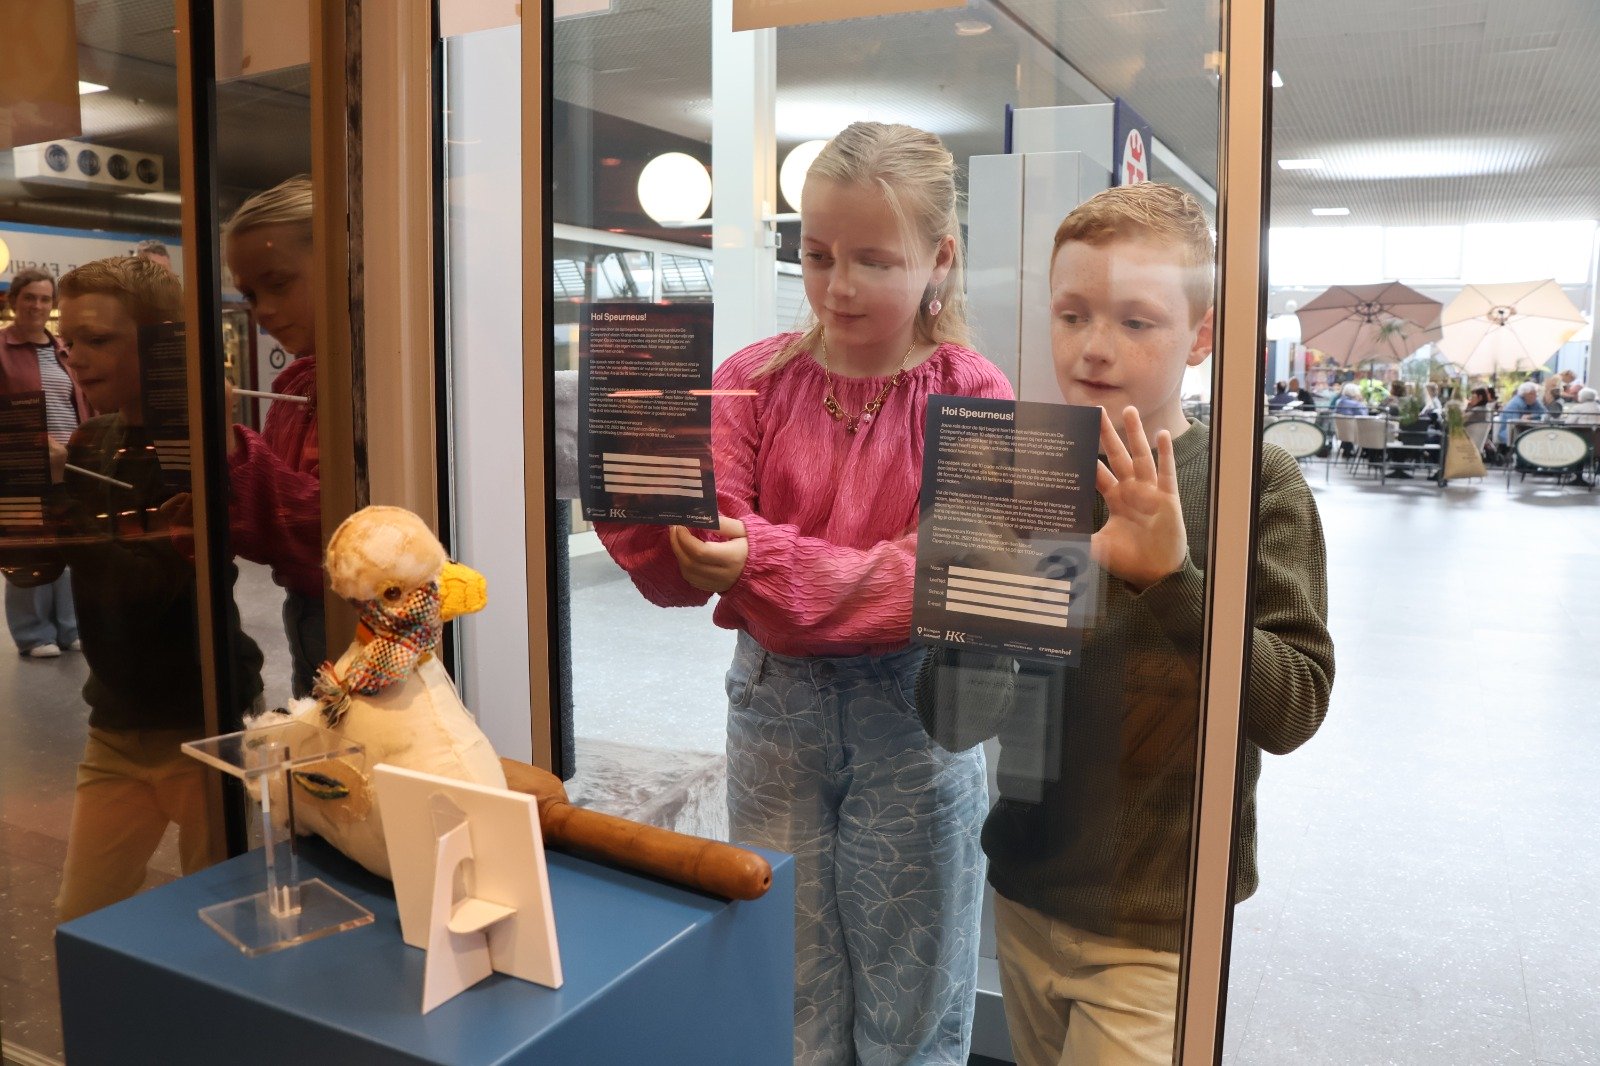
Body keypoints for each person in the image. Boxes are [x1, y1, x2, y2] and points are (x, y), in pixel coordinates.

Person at [596, 122, 1009, 1065]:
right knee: (789, 987)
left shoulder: (974, 393)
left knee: (915, 1003)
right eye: (817, 255)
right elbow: (687, 559)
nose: (839, 286)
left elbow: (939, 580)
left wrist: (763, 561)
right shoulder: (750, 381)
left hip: (916, 716)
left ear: (940, 260)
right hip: (774, 712)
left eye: (874, 260)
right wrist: (644, 504)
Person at [916, 183, 1334, 1066]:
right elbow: (955, 720)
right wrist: (988, 597)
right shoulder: (1011, 471)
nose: (1094, 348)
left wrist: (1172, 581)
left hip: (1161, 922)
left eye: (1137, 322)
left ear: (1202, 334)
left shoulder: (1252, 483)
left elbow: (1292, 705)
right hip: (1026, 890)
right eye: (1072, 315)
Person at [45, 257, 264, 920]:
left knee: (227, 923)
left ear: (161, 343)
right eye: (68, 341)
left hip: (206, 724)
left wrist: (53, 503)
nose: (77, 358)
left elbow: (143, 583)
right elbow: (51, 568)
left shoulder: (196, 449)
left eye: (98, 339)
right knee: (80, 918)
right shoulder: (94, 440)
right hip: (115, 722)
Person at [222, 176, 325, 698]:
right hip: (305, 614)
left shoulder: (375, 385)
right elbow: (277, 533)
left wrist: (232, 450)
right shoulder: (296, 386)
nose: (261, 310)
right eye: (250, 294)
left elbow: (324, 529)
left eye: (278, 283)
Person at [1, 268, 89, 658]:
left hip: (70, 463)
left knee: (70, 540)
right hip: (21, 465)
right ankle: (34, 633)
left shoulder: (63, 350)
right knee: (28, 545)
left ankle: (70, 627)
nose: (37, 305)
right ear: (13, 301)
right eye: (29, 297)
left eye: (44, 298)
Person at [1496, 380, 1545, 447]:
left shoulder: (1535, 402)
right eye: (1533, 393)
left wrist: (1531, 416)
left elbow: (1545, 413)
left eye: (1536, 393)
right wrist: (1522, 421)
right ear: (1526, 394)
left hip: (1528, 435)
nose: (1536, 395)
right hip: (1509, 437)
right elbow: (1514, 427)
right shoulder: (1515, 404)